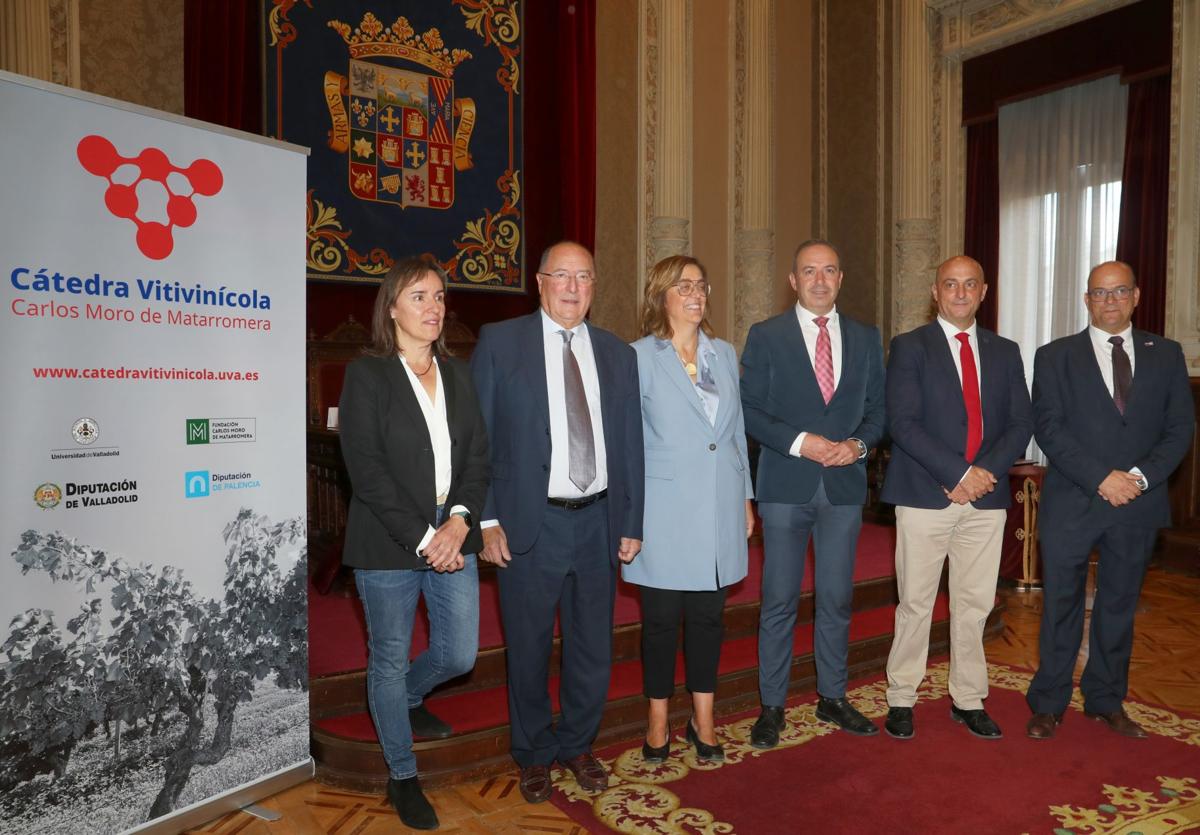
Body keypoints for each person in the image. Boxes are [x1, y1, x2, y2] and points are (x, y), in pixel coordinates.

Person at [470, 241, 644, 803]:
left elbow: (630, 446)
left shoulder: (619, 354)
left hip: (597, 522)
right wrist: (486, 521)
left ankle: (577, 745)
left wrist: (632, 519)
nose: (573, 287)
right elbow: (478, 442)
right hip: (528, 522)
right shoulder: (500, 343)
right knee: (527, 645)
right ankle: (534, 752)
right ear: (539, 283)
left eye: (584, 277)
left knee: (593, 644)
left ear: (594, 286)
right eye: (561, 276)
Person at [338, 255, 489, 830]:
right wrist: (429, 537)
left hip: (452, 529)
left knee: (458, 654)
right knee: (388, 656)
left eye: (440, 296)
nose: (434, 307)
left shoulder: (459, 373)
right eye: (420, 296)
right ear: (392, 307)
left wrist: (457, 522)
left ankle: (405, 697)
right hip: (387, 539)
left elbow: (478, 455)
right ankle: (402, 775)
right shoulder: (367, 374)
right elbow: (367, 471)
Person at [1025, 261, 1193, 740]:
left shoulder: (1167, 354)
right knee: (1060, 604)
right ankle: (1049, 703)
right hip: (1074, 499)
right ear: (1087, 300)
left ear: (1137, 296)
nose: (1111, 301)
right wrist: (1101, 477)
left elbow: (1179, 428)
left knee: (1119, 606)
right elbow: (1049, 428)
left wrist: (1137, 479)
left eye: (1120, 291)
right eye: (1100, 293)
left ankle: (1105, 700)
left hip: (1137, 504)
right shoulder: (1055, 356)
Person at [741, 239, 886, 745]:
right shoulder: (766, 335)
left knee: (836, 599)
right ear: (793, 280)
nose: (820, 280)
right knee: (778, 599)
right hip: (785, 483)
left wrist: (858, 445)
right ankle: (772, 706)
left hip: (843, 487)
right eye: (809, 271)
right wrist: (803, 443)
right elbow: (751, 411)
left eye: (829, 270)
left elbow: (878, 411)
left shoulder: (867, 337)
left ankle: (832, 697)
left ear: (841, 278)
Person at [880, 255, 1032, 741]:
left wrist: (982, 475)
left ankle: (968, 698)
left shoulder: (1006, 351)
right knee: (915, 602)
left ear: (984, 292)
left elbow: (1019, 424)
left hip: (985, 500)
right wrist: (958, 473)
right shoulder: (910, 347)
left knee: (974, 604)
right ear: (935, 291)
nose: (961, 293)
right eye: (951, 284)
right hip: (926, 494)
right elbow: (902, 423)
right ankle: (902, 696)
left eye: (970, 285)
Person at [624, 255, 755, 763]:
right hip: (662, 511)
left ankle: (704, 719)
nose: (696, 294)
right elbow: (627, 444)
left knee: (707, 620)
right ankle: (657, 721)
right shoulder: (637, 357)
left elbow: (736, 431)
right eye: (684, 287)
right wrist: (629, 516)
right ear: (662, 294)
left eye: (701, 285)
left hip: (720, 506)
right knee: (659, 623)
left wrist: (745, 497)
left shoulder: (724, 353)